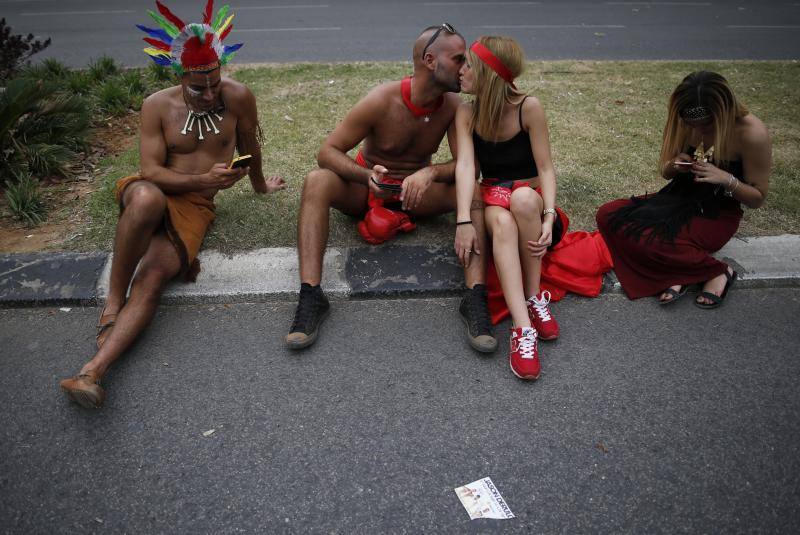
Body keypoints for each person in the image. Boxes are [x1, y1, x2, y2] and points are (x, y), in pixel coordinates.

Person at [59, 0, 286, 409]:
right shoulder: (156, 105)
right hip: (156, 189)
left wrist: (257, 185)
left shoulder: (238, 97)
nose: (210, 94)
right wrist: (202, 178)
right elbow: (150, 171)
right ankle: (113, 301)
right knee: (145, 199)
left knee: (155, 275)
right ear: (180, 76)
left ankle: (91, 373)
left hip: (195, 206)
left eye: (216, 83)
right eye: (200, 88)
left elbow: (251, 146)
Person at [287, 24, 497, 353]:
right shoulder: (381, 99)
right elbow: (326, 152)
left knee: (474, 191)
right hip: (368, 190)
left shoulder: (454, 105)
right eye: (458, 59)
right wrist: (366, 176)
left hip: (416, 196)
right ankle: (311, 295)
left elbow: (466, 166)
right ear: (430, 60)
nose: (466, 67)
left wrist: (429, 173)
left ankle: (475, 297)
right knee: (316, 180)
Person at [596, 71, 771, 307]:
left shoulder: (752, 133)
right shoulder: (689, 119)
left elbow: (757, 198)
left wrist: (726, 179)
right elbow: (666, 172)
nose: (700, 131)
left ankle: (717, 272)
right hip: (673, 200)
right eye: (693, 125)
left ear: (723, 113)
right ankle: (681, 272)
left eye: (706, 126)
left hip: (715, 214)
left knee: (656, 242)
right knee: (607, 214)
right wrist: (676, 165)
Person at [454, 36, 565, 380]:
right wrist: (462, 220)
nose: (461, 71)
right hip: (494, 200)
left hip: (532, 206)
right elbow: (466, 168)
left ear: (488, 73)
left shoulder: (528, 107)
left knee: (522, 198)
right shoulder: (467, 111)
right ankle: (523, 329)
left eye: (468, 65)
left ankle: (534, 296)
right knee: (501, 223)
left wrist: (549, 216)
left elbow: (545, 168)